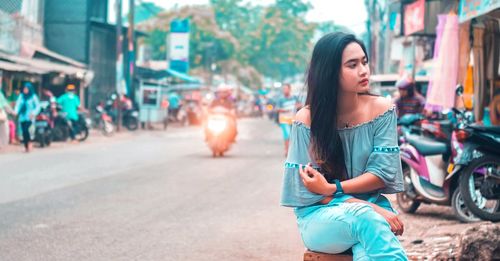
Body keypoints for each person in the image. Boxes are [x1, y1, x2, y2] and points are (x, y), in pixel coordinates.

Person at [280, 32, 407, 260]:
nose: (363, 70)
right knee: (365, 218)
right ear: (329, 71)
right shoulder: (307, 120)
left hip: (372, 212)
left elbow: (381, 174)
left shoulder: (382, 110)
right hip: (320, 218)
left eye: (364, 62)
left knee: (369, 252)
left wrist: (331, 188)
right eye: (352, 65)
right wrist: (369, 208)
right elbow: (307, 192)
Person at [14, 82, 40, 152]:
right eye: (24, 89)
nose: (25, 90)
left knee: (27, 130)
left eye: (26, 89)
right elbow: (18, 105)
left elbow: (38, 106)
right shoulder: (21, 96)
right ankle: (26, 146)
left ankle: (29, 143)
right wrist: (15, 112)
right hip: (22, 117)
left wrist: (33, 113)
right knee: (23, 132)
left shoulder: (33, 97)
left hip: (30, 117)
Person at [276, 83, 301, 155]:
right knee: (287, 135)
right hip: (284, 119)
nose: (284, 90)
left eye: (286, 89)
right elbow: (277, 109)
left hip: (293, 119)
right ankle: (287, 151)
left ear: (290, 89)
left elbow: (300, 105)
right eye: (283, 89)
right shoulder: (280, 99)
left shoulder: (294, 98)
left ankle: (292, 151)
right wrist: (283, 110)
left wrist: (297, 106)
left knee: (293, 136)